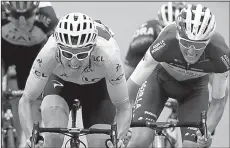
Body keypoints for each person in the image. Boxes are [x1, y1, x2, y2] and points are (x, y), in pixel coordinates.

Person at [18, 12, 132, 148]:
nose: (73, 62)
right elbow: (26, 100)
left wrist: (117, 138)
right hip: (60, 83)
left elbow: (124, 107)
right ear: (58, 48)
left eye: (82, 54)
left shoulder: (108, 54)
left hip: (98, 87)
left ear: (93, 48)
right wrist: (31, 137)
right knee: (54, 135)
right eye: (67, 54)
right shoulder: (49, 51)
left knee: (101, 145)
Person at [127, 3, 229, 148]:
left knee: (192, 145)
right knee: (139, 141)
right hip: (158, 82)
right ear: (177, 36)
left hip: (195, 91)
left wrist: (206, 131)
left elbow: (218, 102)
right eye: (186, 44)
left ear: (208, 41)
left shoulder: (220, 53)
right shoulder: (166, 41)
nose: (191, 52)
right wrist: (125, 125)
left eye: (199, 46)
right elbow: (130, 89)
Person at [1, 1, 59, 146]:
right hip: (5, 51)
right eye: (16, 16)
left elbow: (56, 55)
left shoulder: (48, 15)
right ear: (7, 11)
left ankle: (31, 139)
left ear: (36, 11)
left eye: (27, 16)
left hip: (34, 55)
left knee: (35, 99)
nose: (22, 23)